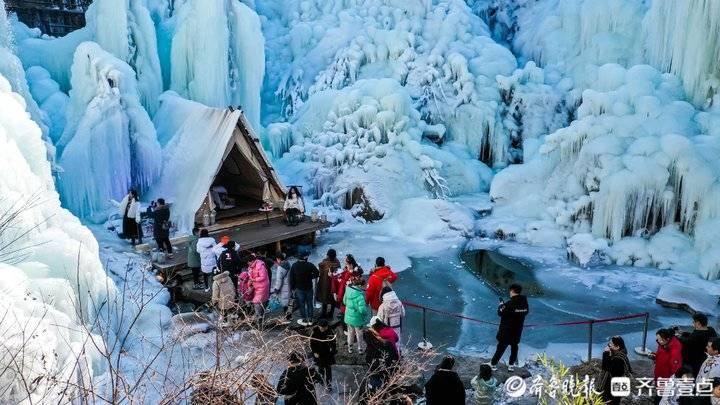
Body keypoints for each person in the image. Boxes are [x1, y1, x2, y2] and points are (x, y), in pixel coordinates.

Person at [489, 284, 529, 371]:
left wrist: (501, 305)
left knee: (501, 347)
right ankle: (511, 365)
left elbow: (500, 313)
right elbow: (525, 312)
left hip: (507, 330)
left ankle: (493, 364)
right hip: (517, 330)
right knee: (514, 347)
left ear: (512, 291)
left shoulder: (509, 304)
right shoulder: (524, 303)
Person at [599, 336, 633, 405]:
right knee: (616, 400)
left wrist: (606, 353)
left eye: (610, 344)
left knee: (611, 401)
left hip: (613, 386)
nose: (608, 345)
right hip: (618, 384)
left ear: (617, 347)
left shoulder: (618, 359)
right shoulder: (622, 354)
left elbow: (606, 367)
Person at [332, 254, 362, 331]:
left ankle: (346, 329)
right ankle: (354, 328)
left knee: (345, 313)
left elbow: (342, 287)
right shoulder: (357, 272)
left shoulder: (348, 274)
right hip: (355, 297)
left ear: (350, 264)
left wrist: (339, 298)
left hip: (346, 297)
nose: (345, 265)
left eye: (346, 263)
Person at [290, 253, 319, 326]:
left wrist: (293, 288)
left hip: (299, 289)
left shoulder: (294, 266)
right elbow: (317, 273)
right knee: (310, 304)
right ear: (305, 258)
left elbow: (291, 278)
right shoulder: (310, 265)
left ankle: (304, 320)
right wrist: (310, 277)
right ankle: (310, 319)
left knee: (302, 304)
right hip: (309, 288)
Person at [310, 319, 337, 391]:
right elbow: (311, 343)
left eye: (322, 328)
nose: (321, 329)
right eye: (320, 328)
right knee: (320, 368)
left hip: (328, 354)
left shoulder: (330, 332)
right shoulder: (315, 331)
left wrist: (332, 352)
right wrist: (314, 352)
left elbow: (334, 344)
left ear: (326, 327)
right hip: (318, 353)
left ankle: (329, 384)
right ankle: (321, 381)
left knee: (328, 370)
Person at [344, 276, 368, 354]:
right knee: (359, 334)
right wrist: (366, 313)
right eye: (364, 286)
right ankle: (360, 348)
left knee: (350, 332)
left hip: (348, 317)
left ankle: (350, 348)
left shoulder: (347, 290)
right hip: (358, 319)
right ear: (360, 286)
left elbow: (344, 302)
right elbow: (362, 310)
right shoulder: (360, 296)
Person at [317, 249, 340, 319]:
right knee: (333, 299)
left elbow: (320, 267)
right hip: (334, 285)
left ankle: (323, 314)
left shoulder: (324, 263)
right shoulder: (337, 262)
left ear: (328, 255)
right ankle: (331, 314)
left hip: (325, 285)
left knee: (325, 299)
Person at [248, 258, 270, 323]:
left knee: (257, 302)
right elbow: (250, 277)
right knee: (261, 301)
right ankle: (260, 316)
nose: (248, 264)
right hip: (256, 286)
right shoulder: (251, 267)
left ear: (251, 260)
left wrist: (254, 280)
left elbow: (263, 277)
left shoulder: (260, 266)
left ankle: (259, 317)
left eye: (248, 262)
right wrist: (250, 284)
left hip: (262, 286)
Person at [272, 252, 292, 319]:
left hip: (284, 287)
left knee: (284, 303)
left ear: (278, 259)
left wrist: (276, 289)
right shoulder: (288, 263)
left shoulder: (280, 267)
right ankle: (289, 316)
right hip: (289, 285)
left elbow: (279, 280)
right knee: (288, 302)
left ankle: (287, 317)